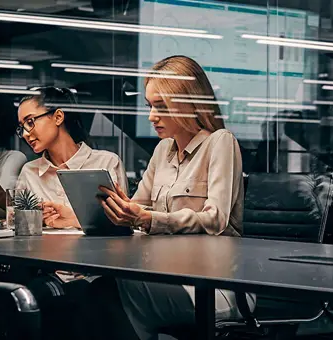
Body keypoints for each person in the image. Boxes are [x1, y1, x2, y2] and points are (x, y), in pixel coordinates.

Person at [93, 55, 250, 339]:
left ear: (189, 104)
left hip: (212, 286)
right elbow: (138, 206)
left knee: (110, 291)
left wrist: (151, 219)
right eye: (149, 105)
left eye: (160, 106)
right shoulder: (162, 150)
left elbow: (216, 220)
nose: (152, 116)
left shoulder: (220, 142)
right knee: (95, 290)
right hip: (164, 275)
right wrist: (116, 207)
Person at [15, 86, 127, 228]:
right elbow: (16, 224)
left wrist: (74, 220)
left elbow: (123, 223)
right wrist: (37, 219)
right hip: (43, 249)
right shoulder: (29, 172)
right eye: (21, 127)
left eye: (30, 122)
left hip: (97, 250)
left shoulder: (106, 163)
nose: (25, 134)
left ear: (58, 117)